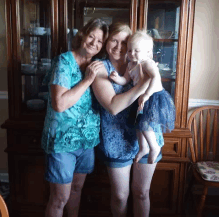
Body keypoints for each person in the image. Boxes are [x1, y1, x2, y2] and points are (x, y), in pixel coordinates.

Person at [92, 22, 165, 217]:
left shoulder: (141, 63)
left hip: (147, 136)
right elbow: (114, 106)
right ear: (106, 42)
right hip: (116, 140)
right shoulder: (101, 69)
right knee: (120, 196)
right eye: (114, 41)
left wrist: (149, 81)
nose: (119, 47)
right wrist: (142, 87)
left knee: (142, 193)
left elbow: (157, 85)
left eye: (124, 42)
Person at [41, 18, 108, 217]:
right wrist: (87, 80)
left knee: (77, 190)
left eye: (100, 41)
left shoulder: (97, 65)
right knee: (59, 198)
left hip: (86, 142)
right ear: (82, 34)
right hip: (62, 142)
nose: (95, 43)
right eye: (91, 37)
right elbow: (59, 104)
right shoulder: (64, 61)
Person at [109, 30, 175, 164]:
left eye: (136, 51)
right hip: (141, 97)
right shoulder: (130, 65)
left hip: (153, 96)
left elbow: (156, 77)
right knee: (138, 124)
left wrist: (147, 94)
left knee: (145, 123)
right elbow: (126, 80)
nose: (132, 54)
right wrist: (117, 79)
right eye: (129, 50)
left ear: (147, 52)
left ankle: (154, 147)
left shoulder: (147, 63)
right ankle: (143, 148)